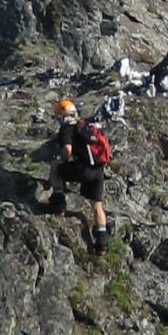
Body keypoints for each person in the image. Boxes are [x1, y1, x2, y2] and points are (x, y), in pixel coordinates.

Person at [49, 98, 111, 246]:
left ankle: (59, 205)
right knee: (97, 205)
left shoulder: (67, 128)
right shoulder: (85, 125)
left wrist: (64, 160)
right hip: (98, 170)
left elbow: (67, 149)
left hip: (83, 169)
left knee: (55, 167)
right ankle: (102, 243)